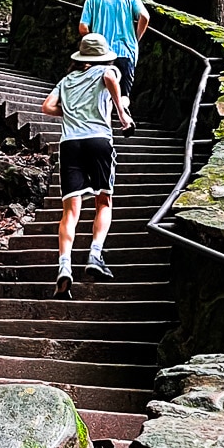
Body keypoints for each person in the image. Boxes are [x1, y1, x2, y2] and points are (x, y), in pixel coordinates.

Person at [41, 32, 133, 298]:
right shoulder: (107, 70)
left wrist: (70, 112)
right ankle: (94, 255)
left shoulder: (66, 80)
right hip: (98, 141)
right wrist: (121, 114)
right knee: (103, 201)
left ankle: (64, 267)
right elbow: (108, 79)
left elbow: (47, 107)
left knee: (69, 211)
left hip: (70, 144)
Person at [79, 0, 149, 101]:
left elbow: (83, 27)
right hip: (126, 51)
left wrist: (93, 43)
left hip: (100, 55)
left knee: (100, 93)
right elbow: (145, 17)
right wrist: (136, 38)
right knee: (123, 95)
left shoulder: (92, 0)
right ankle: (122, 113)